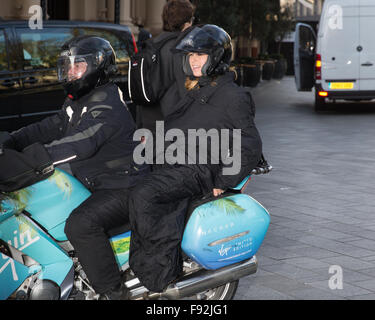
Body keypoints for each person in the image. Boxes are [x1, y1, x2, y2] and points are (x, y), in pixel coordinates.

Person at [4, 35, 149, 299]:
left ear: (97, 67)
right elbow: (51, 126)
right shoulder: (80, 101)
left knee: (80, 224)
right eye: (67, 66)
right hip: (97, 182)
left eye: (77, 66)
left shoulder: (107, 106)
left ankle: (114, 293)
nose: (70, 72)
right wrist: (11, 140)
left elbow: (80, 142)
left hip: (123, 185)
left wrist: (29, 161)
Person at [127, 24, 263, 292]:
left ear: (217, 58)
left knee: (144, 194)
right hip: (176, 160)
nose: (194, 61)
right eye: (191, 57)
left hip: (198, 169)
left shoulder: (232, 96)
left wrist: (223, 180)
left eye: (200, 55)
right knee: (127, 179)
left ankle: (160, 271)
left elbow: (250, 143)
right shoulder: (198, 89)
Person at [140, 0, 196, 132]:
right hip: (172, 126)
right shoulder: (181, 50)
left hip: (147, 121)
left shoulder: (150, 45)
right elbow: (186, 92)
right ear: (187, 23)